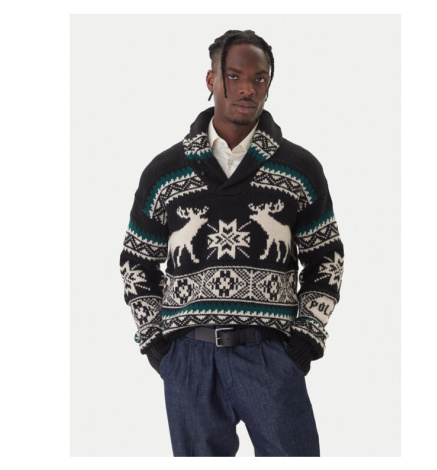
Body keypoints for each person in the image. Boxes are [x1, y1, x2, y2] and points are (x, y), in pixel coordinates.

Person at [119, 29, 344, 457]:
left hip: (270, 355)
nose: (247, 89)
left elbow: (327, 259)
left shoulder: (300, 169)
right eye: (234, 76)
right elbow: (136, 262)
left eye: (260, 78)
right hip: (190, 359)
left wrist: (303, 344)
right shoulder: (165, 172)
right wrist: (160, 349)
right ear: (211, 79)